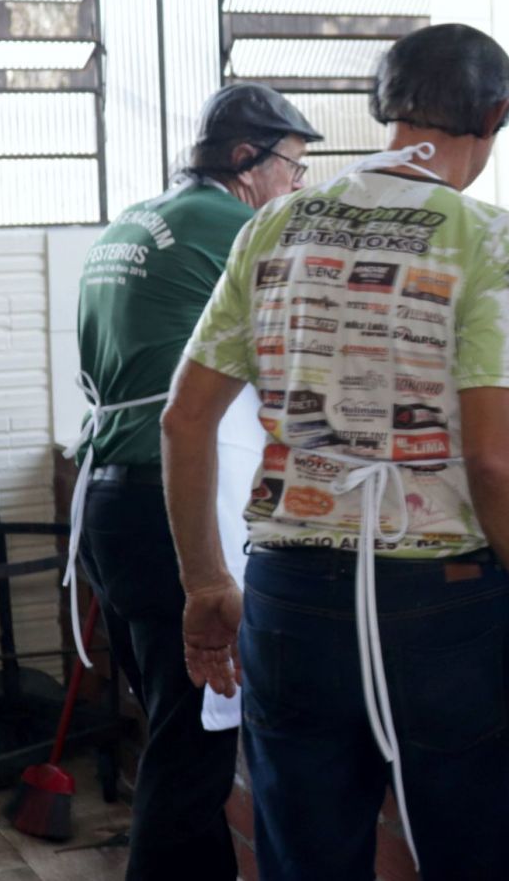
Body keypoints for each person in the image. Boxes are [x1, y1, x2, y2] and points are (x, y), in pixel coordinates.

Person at [162, 23, 509, 880]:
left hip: (287, 600)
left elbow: (182, 420)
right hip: (438, 610)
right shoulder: (490, 238)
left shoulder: (273, 226)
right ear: (497, 112)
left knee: (306, 863)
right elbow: (501, 462)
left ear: (381, 108)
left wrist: (209, 581)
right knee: (466, 858)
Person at [69, 83, 321, 879]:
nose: (297, 185)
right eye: (293, 166)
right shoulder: (240, 224)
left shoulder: (131, 223)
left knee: (180, 739)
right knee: (191, 756)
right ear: (248, 160)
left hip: (110, 495)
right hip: (167, 502)